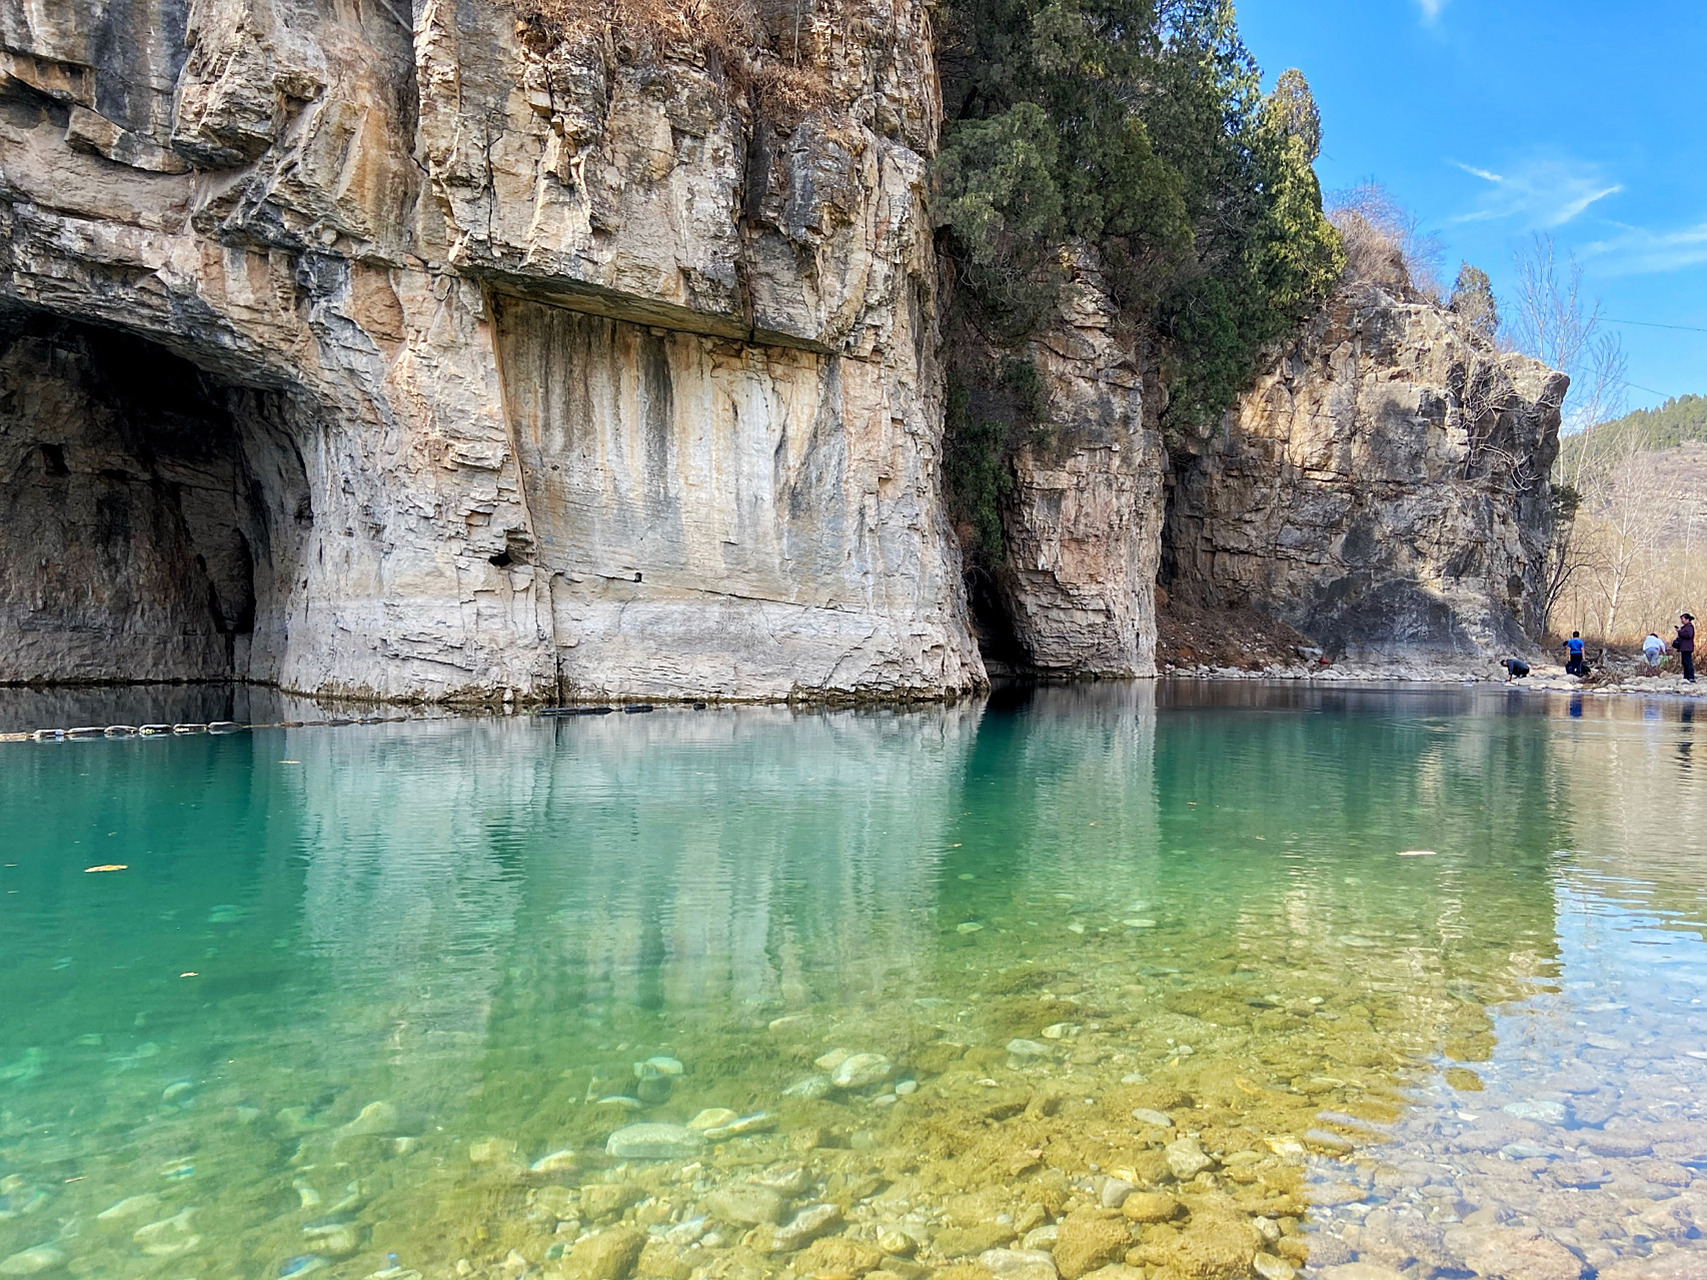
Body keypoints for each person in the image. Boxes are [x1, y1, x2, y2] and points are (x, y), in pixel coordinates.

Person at [1674, 614, 1696, 682]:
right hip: (1684, 647)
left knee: (1688, 662)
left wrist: (1680, 631)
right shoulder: (1685, 627)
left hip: (1687, 647)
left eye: (1682, 619)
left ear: (1687, 619)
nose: (1681, 621)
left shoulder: (1690, 627)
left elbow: (1689, 635)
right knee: (1684, 662)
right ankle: (1686, 676)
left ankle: (1691, 677)